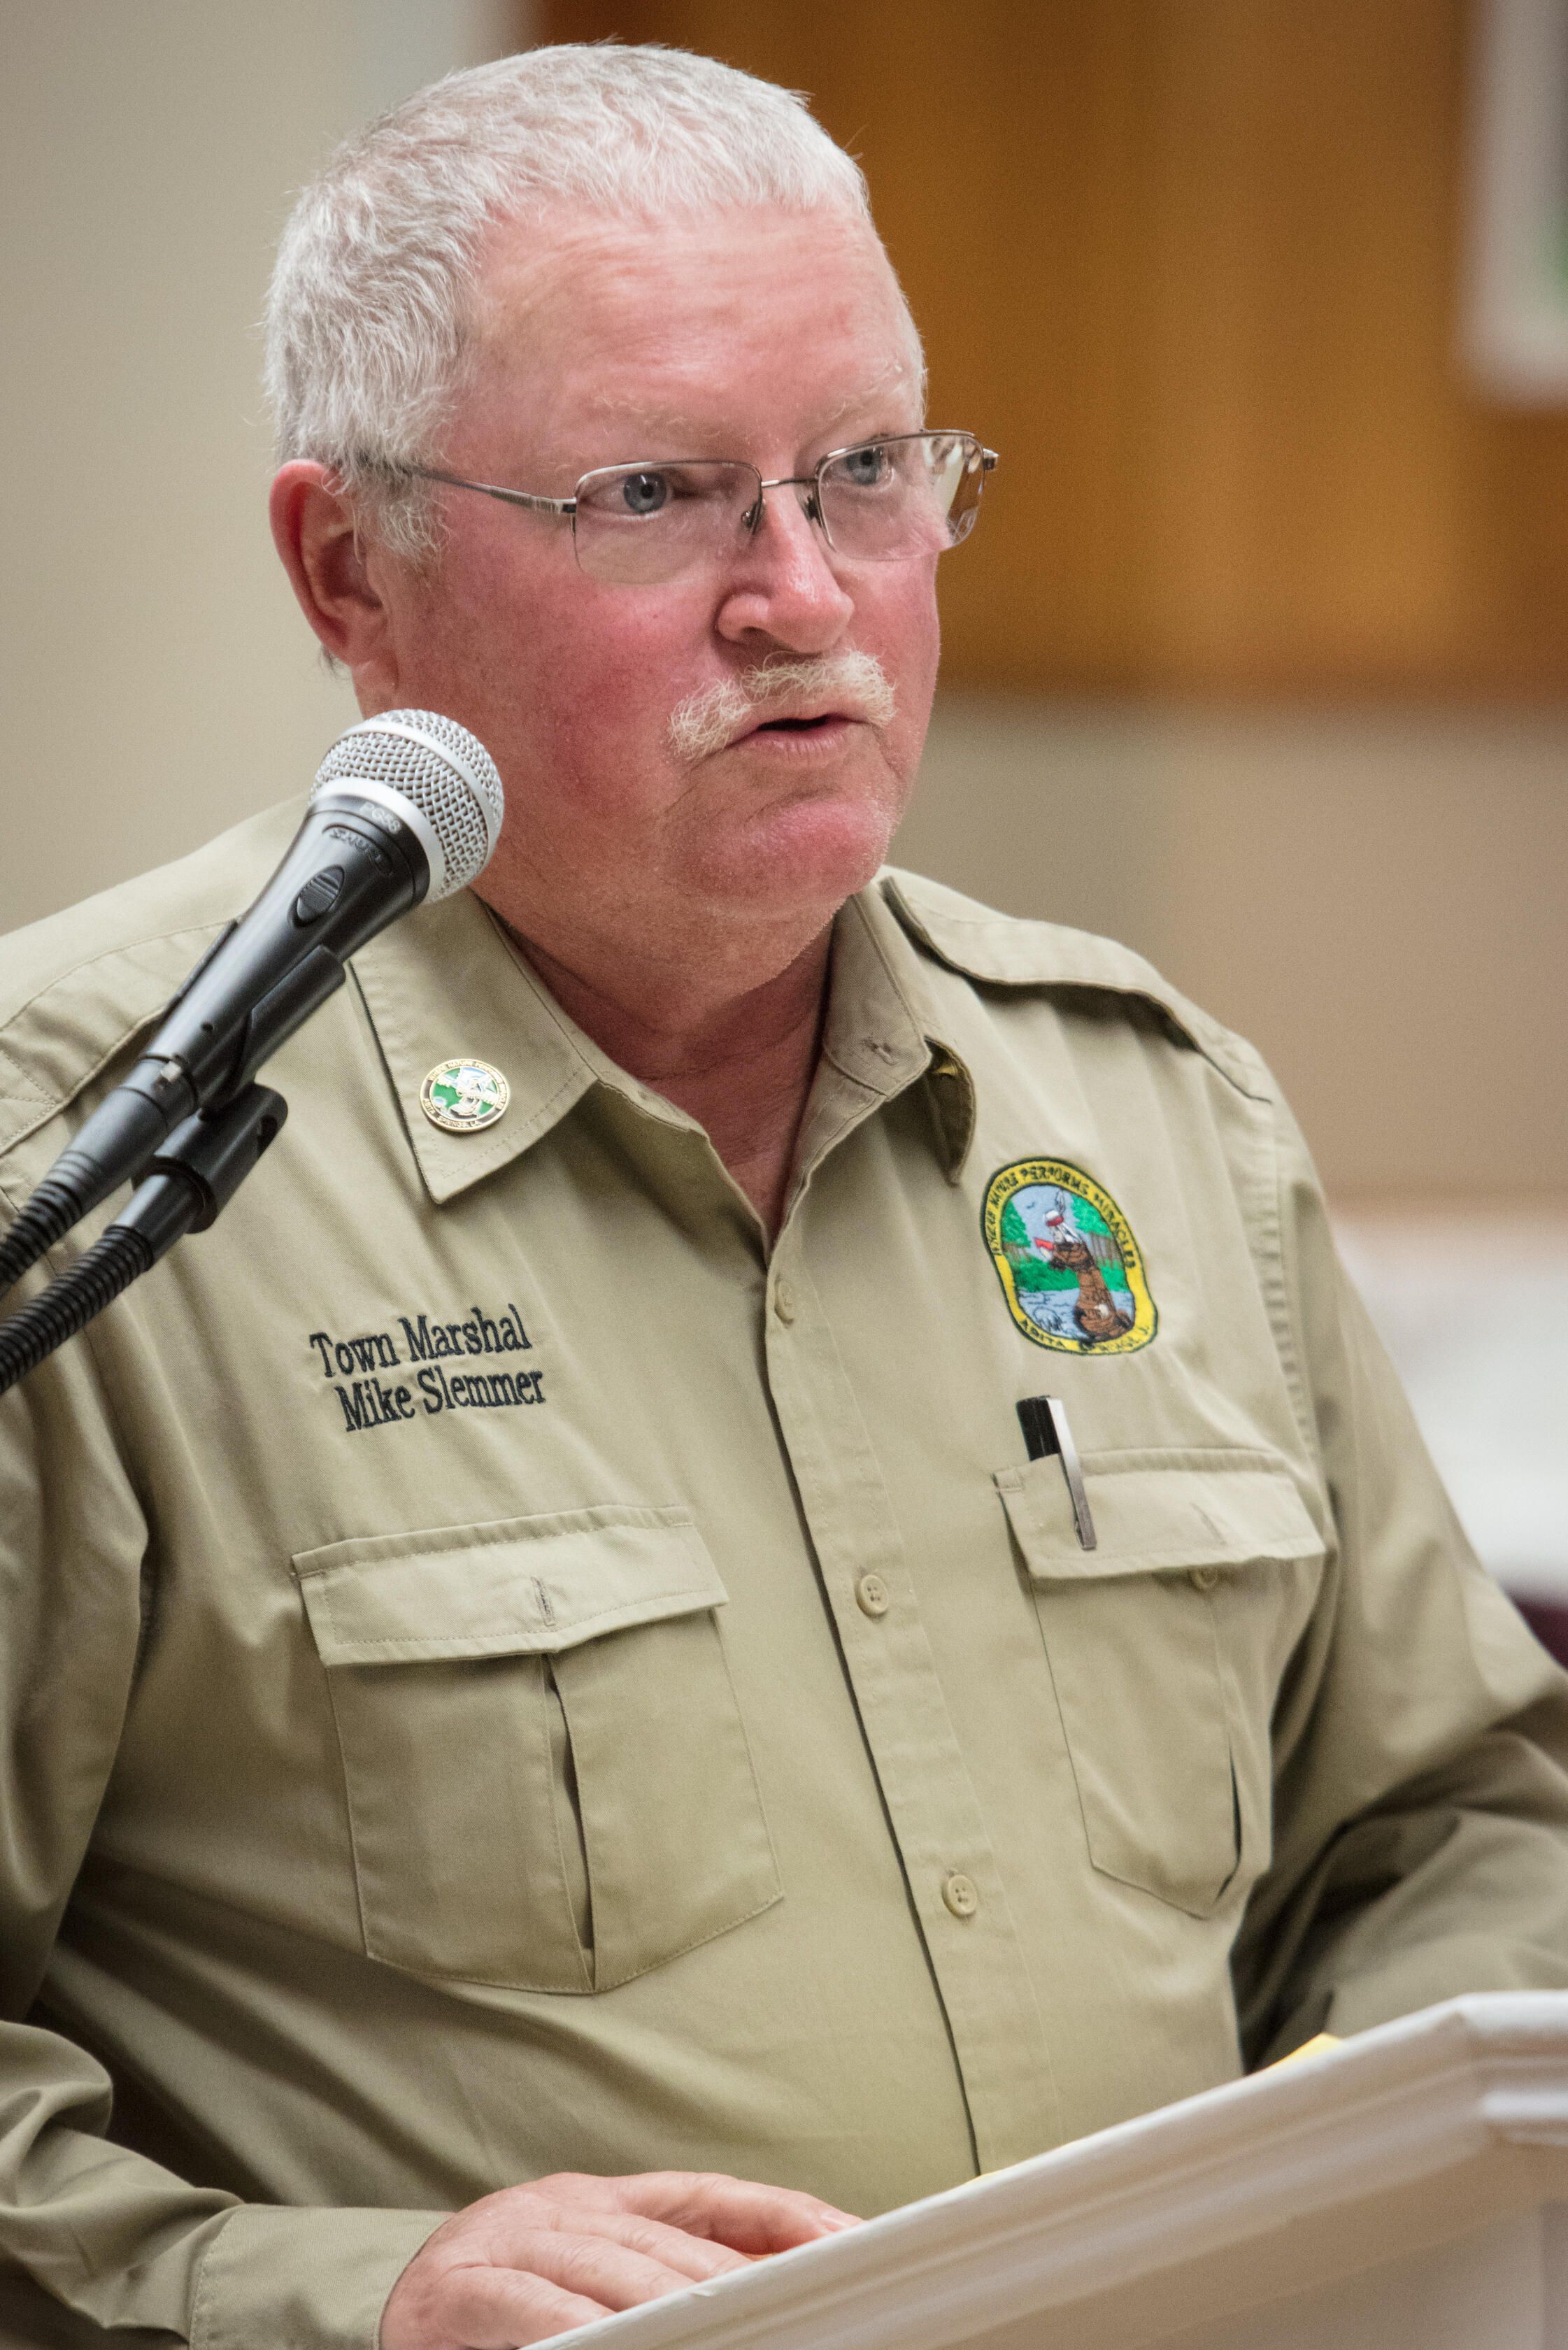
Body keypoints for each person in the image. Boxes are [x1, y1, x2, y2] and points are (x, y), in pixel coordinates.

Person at [1, 41, 1566, 2350]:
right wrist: (340, 2290)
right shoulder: (83, 1165)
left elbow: (1446, 1828)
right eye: (655, 495)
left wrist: (1347, 2206)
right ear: (351, 569)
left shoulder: (1146, 1110)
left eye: (866, 472)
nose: (803, 595)